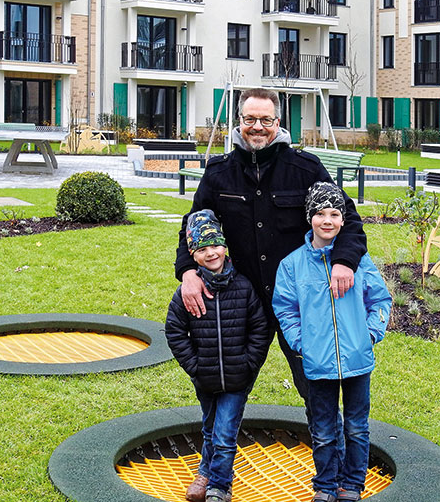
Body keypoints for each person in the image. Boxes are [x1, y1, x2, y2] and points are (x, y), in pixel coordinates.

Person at [174, 87, 367, 400]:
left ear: (278, 122)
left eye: (265, 120)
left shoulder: (305, 169)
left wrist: (344, 262)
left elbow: (350, 220)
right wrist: (187, 271)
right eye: (250, 119)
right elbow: (193, 224)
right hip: (243, 302)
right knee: (228, 389)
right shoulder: (219, 172)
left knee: (317, 390)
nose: (257, 127)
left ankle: (328, 448)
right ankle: (220, 448)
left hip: (301, 301)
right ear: (239, 121)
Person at [272, 182, 392, 502]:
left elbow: (380, 300)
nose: (328, 220)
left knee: (356, 427)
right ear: (309, 217)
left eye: (335, 213)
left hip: (357, 359)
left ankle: (352, 484)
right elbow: (285, 308)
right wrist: (300, 343)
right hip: (318, 360)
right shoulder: (292, 265)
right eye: (320, 213)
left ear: (343, 220)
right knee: (323, 430)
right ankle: (325, 485)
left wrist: (369, 334)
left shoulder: (358, 262)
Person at [166, 210, 271, 502]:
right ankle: (205, 473)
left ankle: (219, 487)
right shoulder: (186, 294)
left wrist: (249, 363)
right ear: (192, 254)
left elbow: (259, 328)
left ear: (225, 247)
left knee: (224, 434)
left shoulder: (244, 287)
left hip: (238, 376)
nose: (211, 253)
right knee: (211, 426)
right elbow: (175, 331)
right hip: (206, 377)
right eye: (202, 248)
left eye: (215, 245)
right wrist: (194, 366)